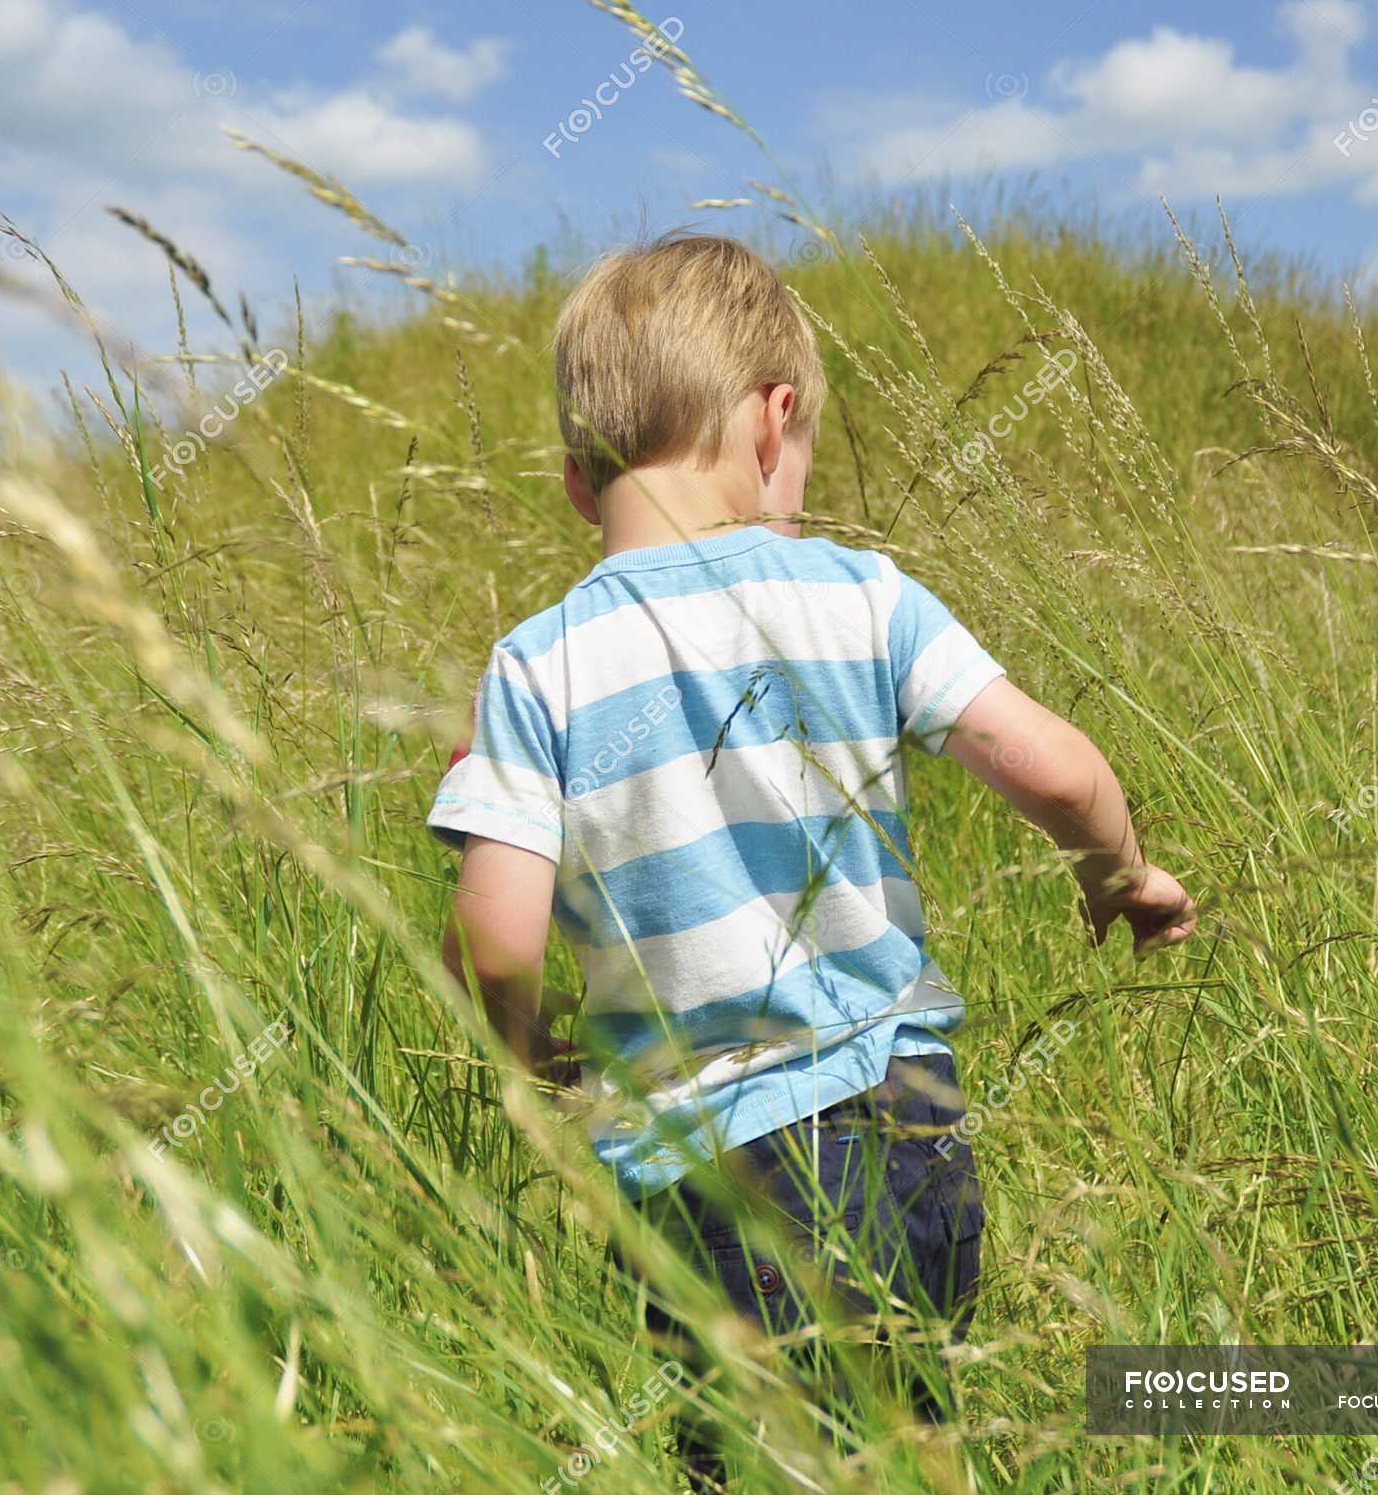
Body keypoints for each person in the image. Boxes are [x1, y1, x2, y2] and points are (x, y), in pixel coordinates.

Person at [429, 232, 1197, 1487]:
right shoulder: (862, 594)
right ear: (776, 422)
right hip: (918, 1120)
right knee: (913, 1431)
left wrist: (529, 1059)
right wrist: (1119, 875)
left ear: (577, 484)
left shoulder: (540, 665)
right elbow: (1057, 769)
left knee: (756, 1457)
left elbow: (496, 937)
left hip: (716, 1175)